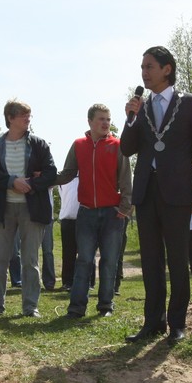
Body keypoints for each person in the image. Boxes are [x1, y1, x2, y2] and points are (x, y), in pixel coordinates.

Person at [121, 46, 192, 344]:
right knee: (150, 260)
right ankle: (153, 322)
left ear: (167, 69)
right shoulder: (142, 107)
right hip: (146, 191)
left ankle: (177, 324)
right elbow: (127, 149)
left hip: (178, 192)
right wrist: (130, 118)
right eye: (142, 67)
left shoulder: (191, 104)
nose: (144, 72)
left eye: (149, 66)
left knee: (177, 258)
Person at [55, 103, 132, 319]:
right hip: (86, 212)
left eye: (108, 119)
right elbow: (67, 174)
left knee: (109, 261)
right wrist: (44, 178)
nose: (106, 123)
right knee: (84, 260)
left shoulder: (118, 145)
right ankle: (76, 308)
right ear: (90, 121)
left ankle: (105, 306)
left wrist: (125, 208)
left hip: (113, 214)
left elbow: (126, 179)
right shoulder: (79, 145)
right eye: (101, 119)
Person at [0, 100, 57, 318]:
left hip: (32, 209)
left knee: (30, 260)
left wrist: (31, 183)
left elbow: (51, 173)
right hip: (2, 209)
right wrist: (11, 182)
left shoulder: (39, 144)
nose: (28, 119)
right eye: (24, 115)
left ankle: (30, 307)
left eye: (29, 115)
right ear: (10, 118)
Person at [57, 177, 80, 290]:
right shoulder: (62, 180)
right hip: (66, 219)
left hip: (83, 219)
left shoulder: (85, 176)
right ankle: (67, 282)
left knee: (85, 252)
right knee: (67, 253)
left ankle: (88, 282)